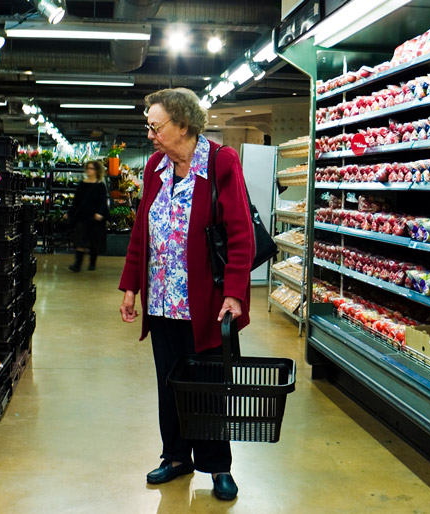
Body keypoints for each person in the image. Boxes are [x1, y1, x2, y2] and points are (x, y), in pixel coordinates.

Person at [118, 88, 254, 502]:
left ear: (183, 125)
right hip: (162, 303)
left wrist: (234, 293)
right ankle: (176, 456)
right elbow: (143, 229)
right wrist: (130, 285)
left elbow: (240, 234)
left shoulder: (220, 162)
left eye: (155, 126)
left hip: (206, 306)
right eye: (149, 126)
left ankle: (218, 466)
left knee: (209, 386)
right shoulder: (156, 168)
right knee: (169, 383)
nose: (150, 135)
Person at [68, 160, 109, 272]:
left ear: (96, 170)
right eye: (88, 168)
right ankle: (78, 264)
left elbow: (102, 201)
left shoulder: (100, 185)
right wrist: (70, 213)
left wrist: (100, 213)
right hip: (82, 216)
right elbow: (76, 201)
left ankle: (92, 263)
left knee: (93, 241)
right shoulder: (82, 184)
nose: (89, 170)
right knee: (80, 240)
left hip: (95, 217)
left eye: (91, 168)